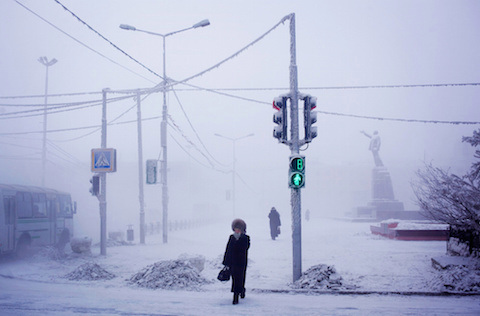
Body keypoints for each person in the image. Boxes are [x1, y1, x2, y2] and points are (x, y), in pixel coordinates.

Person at [222, 218, 250, 305]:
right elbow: (228, 249)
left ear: (242, 229)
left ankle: (241, 290)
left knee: (240, 278)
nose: (237, 230)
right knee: (235, 279)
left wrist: (239, 240)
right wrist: (226, 262)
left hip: (241, 262)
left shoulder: (246, 238)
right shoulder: (231, 237)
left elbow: (245, 248)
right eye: (235, 228)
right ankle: (235, 296)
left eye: (239, 228)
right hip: (232, 262)